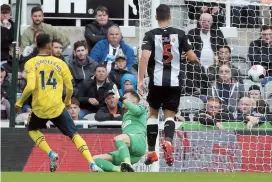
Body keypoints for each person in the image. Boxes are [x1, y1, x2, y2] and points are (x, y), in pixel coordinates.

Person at [15, 34, 102, 172]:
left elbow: (30, 86)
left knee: (32, 130)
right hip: (57, 107)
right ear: (49, 45)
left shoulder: (31, 63)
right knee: (74, 135)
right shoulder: (61, 63)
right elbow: (70, 87)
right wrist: (67, 102)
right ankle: (92, 163)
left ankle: (51, 153)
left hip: (40, 108)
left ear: (36, 45)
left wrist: (19, 103)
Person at [138, 4, 199, 167]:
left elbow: (144, 57)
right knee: (170, 115)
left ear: (156, 18)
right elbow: (192, 57)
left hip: (156, 82)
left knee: (153, 115)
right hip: (174, 83)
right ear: (170, 16)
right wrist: (194, 60)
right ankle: (169, 141)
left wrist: (141, 80)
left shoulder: (150, 35)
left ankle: (152, 151)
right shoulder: (180, 34)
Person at [94, 90, 147, 172]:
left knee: (118, 138)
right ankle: (119, 169)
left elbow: (136, 110)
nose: (121, 99)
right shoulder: (125, 116)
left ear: (133, 101)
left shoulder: (140, 107)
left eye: (125, 98)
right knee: (95, 159)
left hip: (138, 141)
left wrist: (121, 98)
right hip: (130, 151)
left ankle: (127, 164)